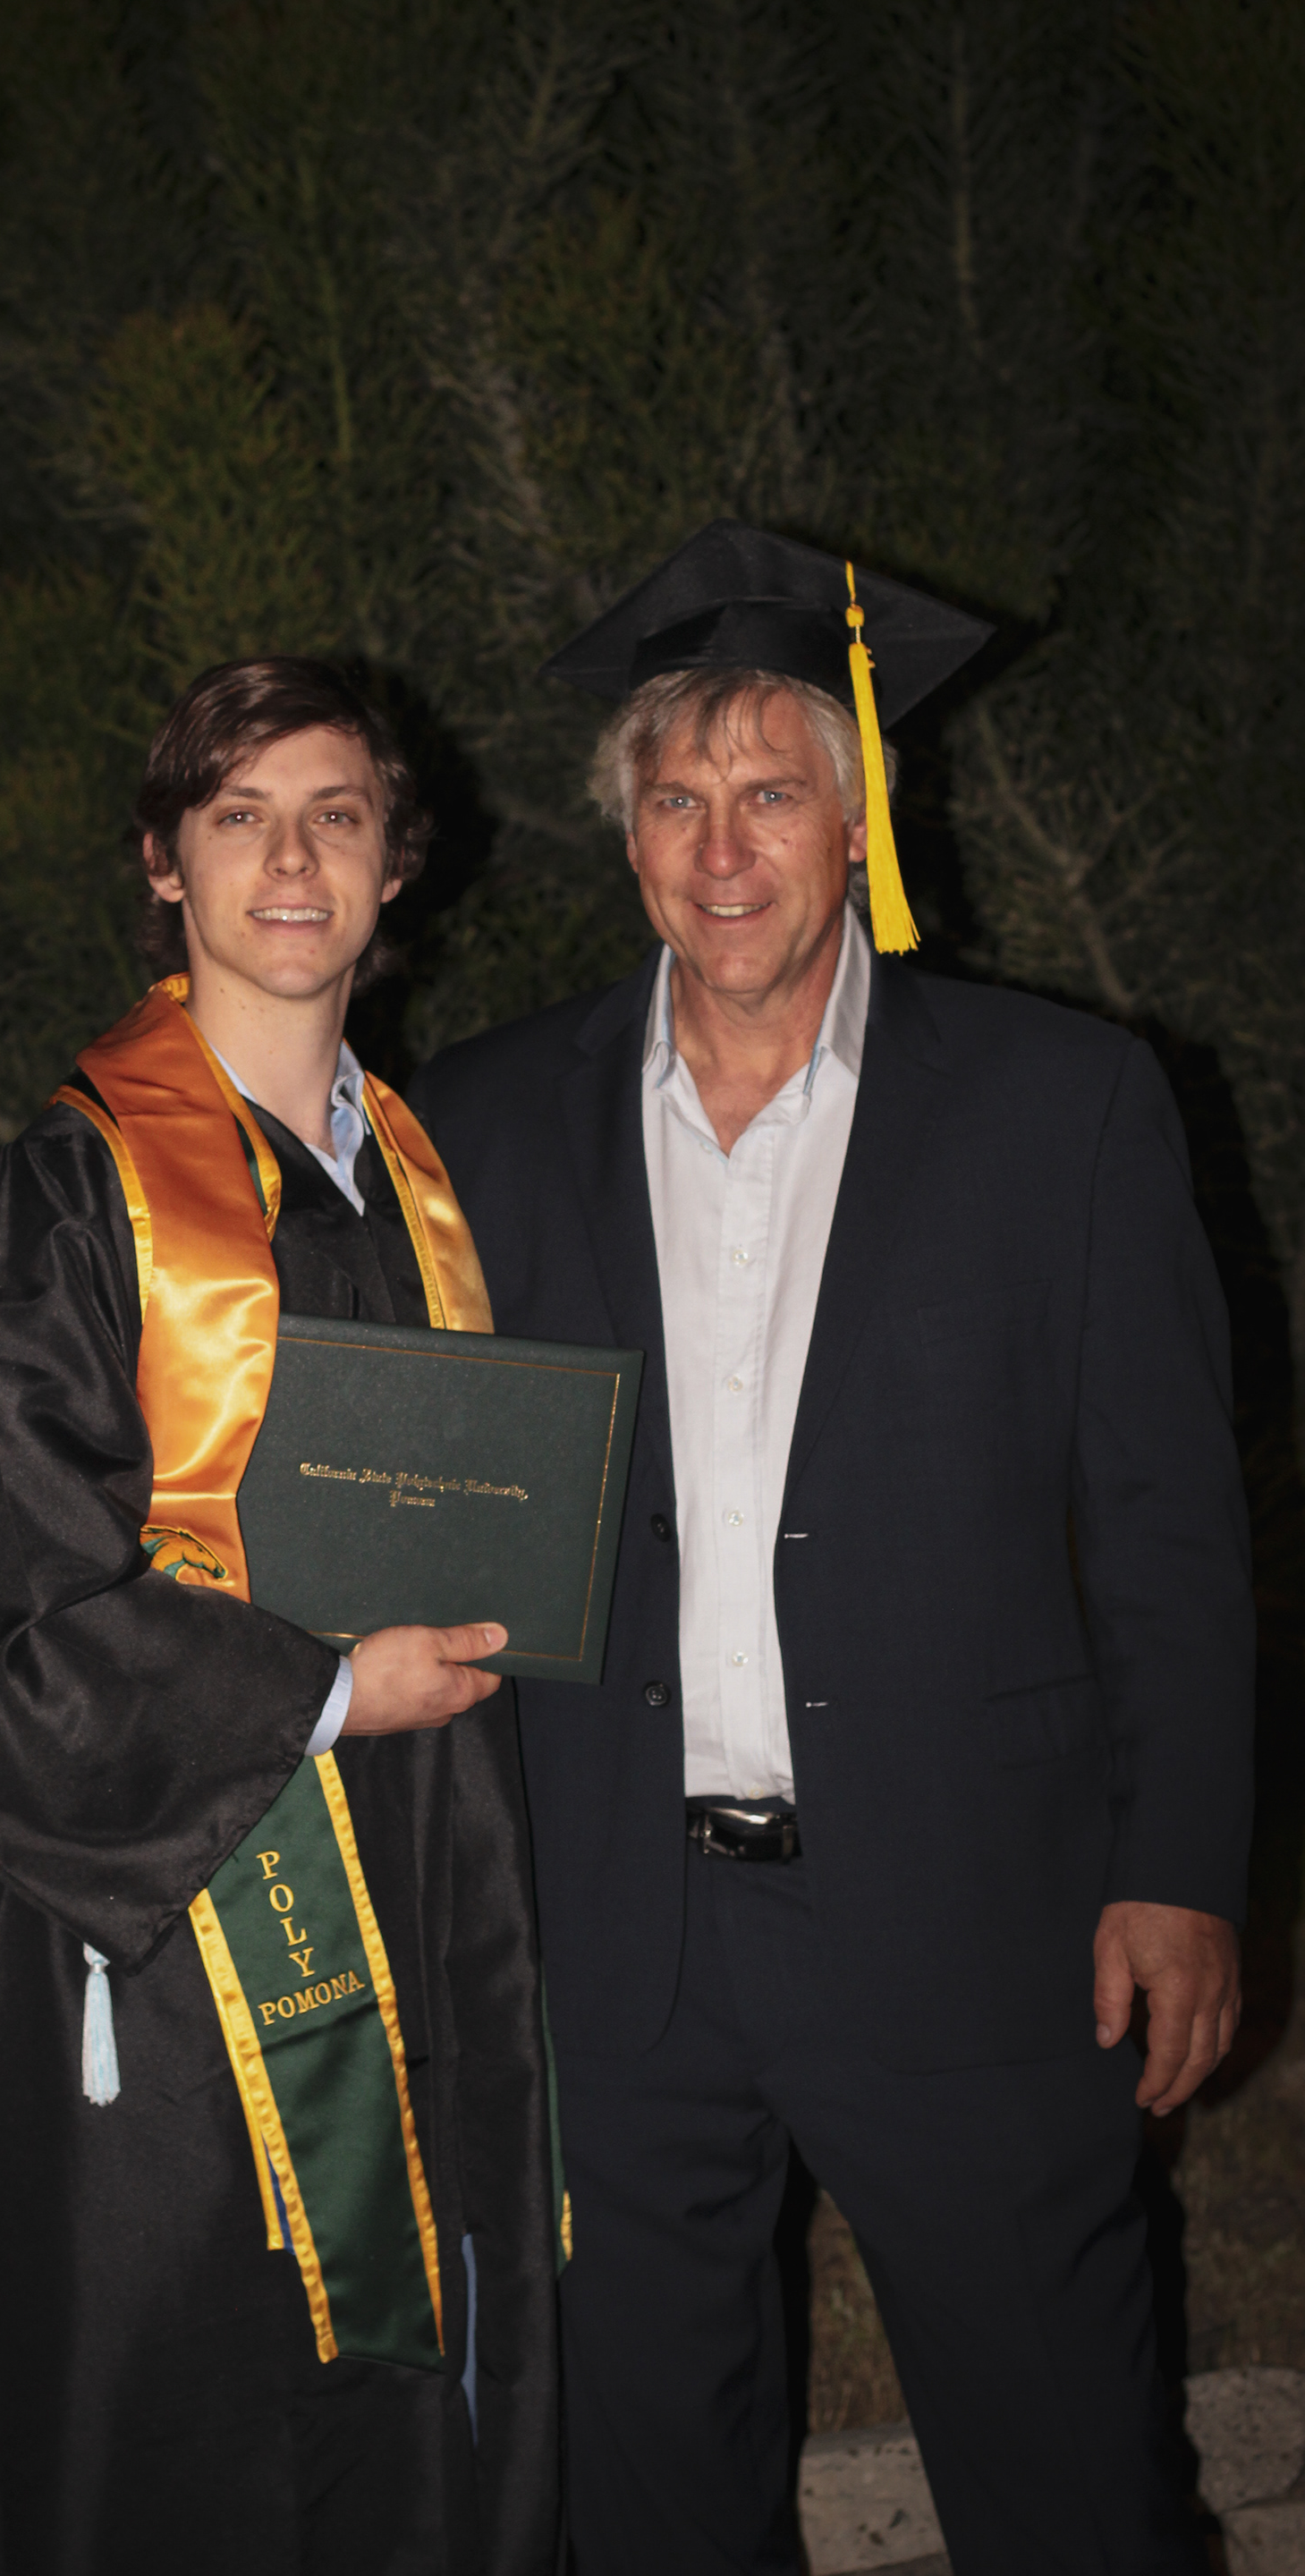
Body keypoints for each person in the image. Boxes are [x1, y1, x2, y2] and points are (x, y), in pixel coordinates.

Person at [409, 524, 1253, 2576]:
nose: (722, 850)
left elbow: (1169, 1523)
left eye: (771, 794)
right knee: (649, 2512)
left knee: (1076, 2491)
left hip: (973, 1922)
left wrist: (1180, 1869)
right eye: (675, 799)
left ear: (860, 820)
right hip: (616, 1942)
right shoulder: (481, 1126)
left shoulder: (1064, 1108)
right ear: (626, 836)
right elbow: (428, 1506)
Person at [0, 658, 562, 2576]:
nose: (289, 861)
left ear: (395, 866)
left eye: (335, 816)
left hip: (423, 1873)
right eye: (238, 816)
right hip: (156, 1933)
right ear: (164, 865)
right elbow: (8, 1617)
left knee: (405, 2418)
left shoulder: (418, 1179)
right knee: (194, 2418)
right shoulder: (69, 1193)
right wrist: (328, 1694)